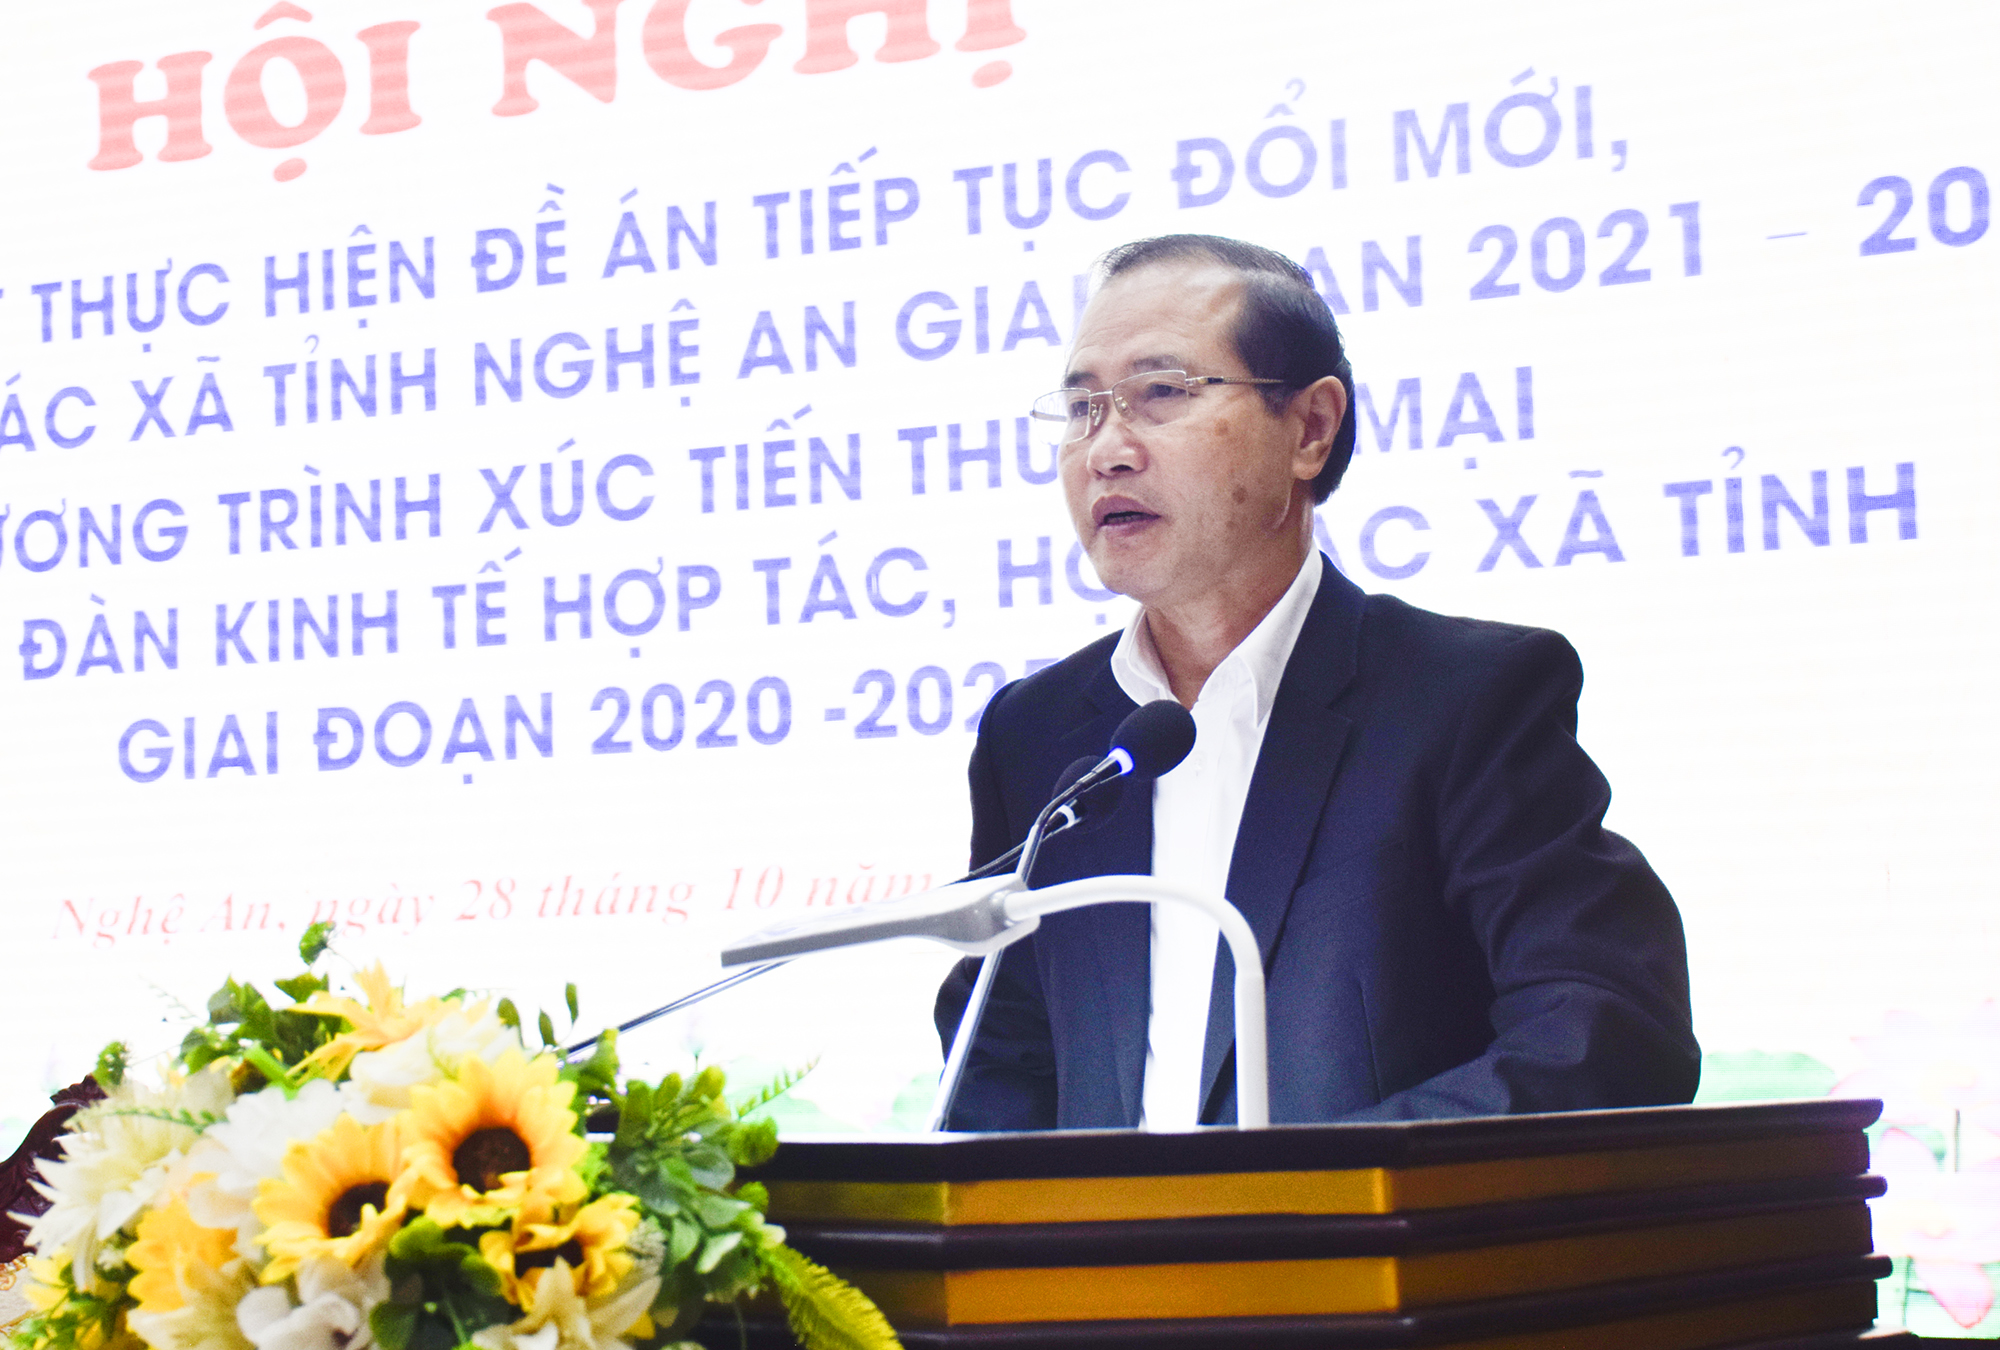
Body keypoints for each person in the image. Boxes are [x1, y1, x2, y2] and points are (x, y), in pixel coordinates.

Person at [934, 234, 1699, 1130]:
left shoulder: (1464, 701)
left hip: (1366, 1225)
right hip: (1102, 1232)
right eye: (1081, 407)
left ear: (1310, 429)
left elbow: (1606, 1034)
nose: (1106, 449)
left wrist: (1305, 1191)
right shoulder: (1040, 739)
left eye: (1161, 393)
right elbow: (999, 1063)